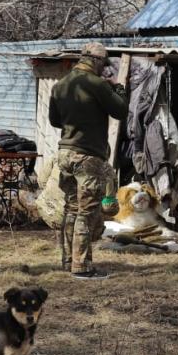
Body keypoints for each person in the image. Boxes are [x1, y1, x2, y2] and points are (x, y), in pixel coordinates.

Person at [49, 42, 127, 279]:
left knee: (71, 209)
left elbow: (54, 120)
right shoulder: (97, 84)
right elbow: (120, 111)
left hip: (65, 153)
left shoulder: (61, 85)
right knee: (86, 211)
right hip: (88, 156)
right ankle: (82, 266)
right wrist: (119, 88)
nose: (105, 68)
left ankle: (68, 261)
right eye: (104, 63)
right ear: (97, 61)